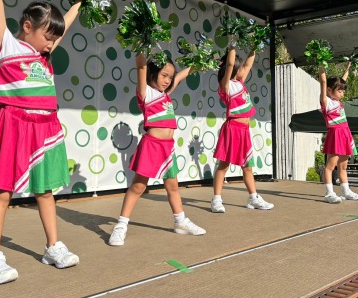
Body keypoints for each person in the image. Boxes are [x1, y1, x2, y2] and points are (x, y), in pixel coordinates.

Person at [0, 0, 81, 285]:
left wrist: (82, 1)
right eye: (48, 36)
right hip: (15, 125)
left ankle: (53, 247)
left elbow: (65, 27)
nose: (51, 43)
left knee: (45, 190)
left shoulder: (44, 54)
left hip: (45, 128)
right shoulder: (8, 45)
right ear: (27, 27)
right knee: (3, 191)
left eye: (54, 39)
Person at [108, 53, 206, 246]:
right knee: (138, 187)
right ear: (153, 73)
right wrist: (141, 44)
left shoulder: (165, 94)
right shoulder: (146, 93)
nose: (167, 80)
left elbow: (181, 76)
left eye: (169, 77)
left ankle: (180, 221)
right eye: (163, 75)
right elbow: (141, 66)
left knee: (173, 187)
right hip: (152, 146)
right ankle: (121, 226)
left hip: (168, 148)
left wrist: (200, 61)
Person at [210, 42, 274, 213]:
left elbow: (248, 64)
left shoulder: (240, 82)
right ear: (232, 70)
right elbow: (231, 64)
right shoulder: (226, 86)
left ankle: (253, 198)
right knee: (223, 165)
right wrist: (231, 45)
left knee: (247, 167)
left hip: (244, 131)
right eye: (238, 68)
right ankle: (216, 200)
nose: (242, 69)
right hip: (232, 129)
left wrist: (255, 46)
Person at [319, 63, 358, 203]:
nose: (342, 94)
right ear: (329, 90)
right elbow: (323, 81)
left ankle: (346, 191)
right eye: (339, 91)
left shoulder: (337, 101)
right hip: (335, 134)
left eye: (343, 91)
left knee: (343, 166)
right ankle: (329, 194)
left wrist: (348, 67)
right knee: (330, 166)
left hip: (345, 134)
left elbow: (342, 80)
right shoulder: (326, 102)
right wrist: (321, 64)